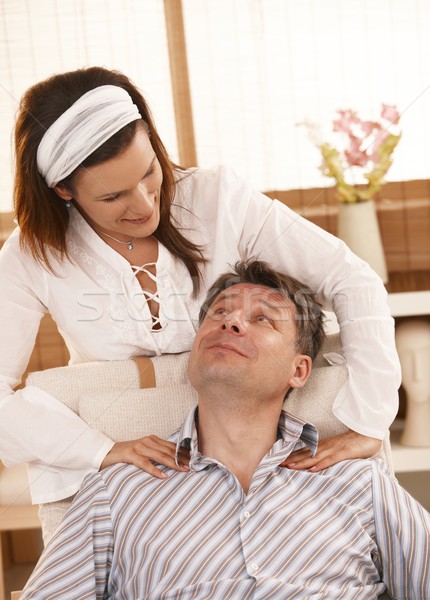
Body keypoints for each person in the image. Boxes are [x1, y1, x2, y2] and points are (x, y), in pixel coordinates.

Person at [0, 66, 400, 505]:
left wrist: (369, 418)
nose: (144, 203)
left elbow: (352, 280)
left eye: (149, 172)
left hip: (250, 442)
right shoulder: (32, 253)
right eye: (113, 197)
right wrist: (100, 450)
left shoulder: (216, 199)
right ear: (63, 191)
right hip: (130, 456)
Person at [20, 261, 429, 599]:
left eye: (262, 319)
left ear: (299, 371)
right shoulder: (115, 492)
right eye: (220, 313)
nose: (231, 323)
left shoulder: (359, 483)